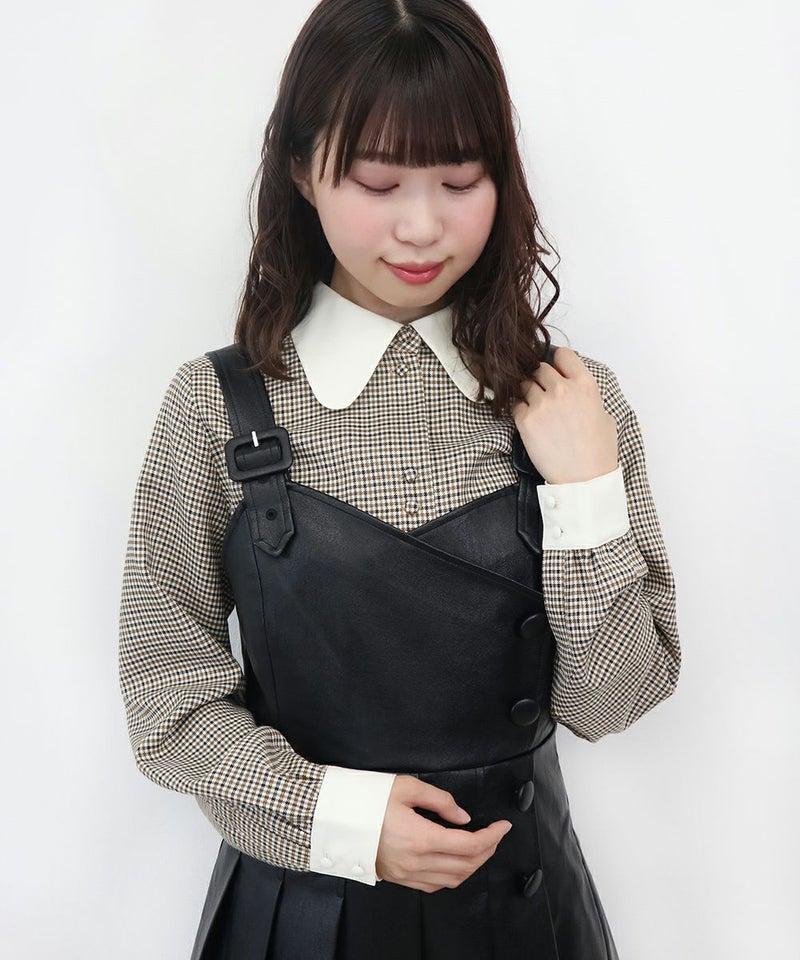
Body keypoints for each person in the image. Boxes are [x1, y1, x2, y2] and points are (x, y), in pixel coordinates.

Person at [117, 1, 681, 957]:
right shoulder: (214, 406)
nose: (422, 227)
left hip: (527, 919)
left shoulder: (574, 403)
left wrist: (586, 489)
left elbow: (612, 703)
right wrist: (338, 819)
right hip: (297, 919)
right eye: (378, 182)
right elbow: (166, 701)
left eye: (461, 180)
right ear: (302, 170)